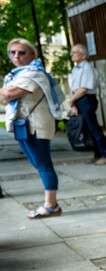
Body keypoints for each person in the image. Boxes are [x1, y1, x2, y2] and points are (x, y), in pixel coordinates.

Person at [0, 38, 64, 219]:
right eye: (12, 52)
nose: (16, 56)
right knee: (38, 163)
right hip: (24, 125)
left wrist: (6, 94)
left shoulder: (34, 74)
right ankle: (51, 204)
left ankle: (51, 205)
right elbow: (4, 96)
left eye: (22, 52)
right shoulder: (17, 75)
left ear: (32, 55)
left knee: (44, 164)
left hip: (35, 125)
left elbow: (8, 95)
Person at [66, 44, 106, 165]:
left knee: (94, 128)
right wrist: (73, 104)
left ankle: (105, 155)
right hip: (78, 99)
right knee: (87, 129)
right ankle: (97, 155)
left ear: (83, 55)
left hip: (86, 99)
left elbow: (83, 89)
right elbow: (73, 88)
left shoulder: (87, 68)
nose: (72, 55)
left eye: (74, 52)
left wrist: (71, 101)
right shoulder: (75, 69)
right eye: (71, 52)